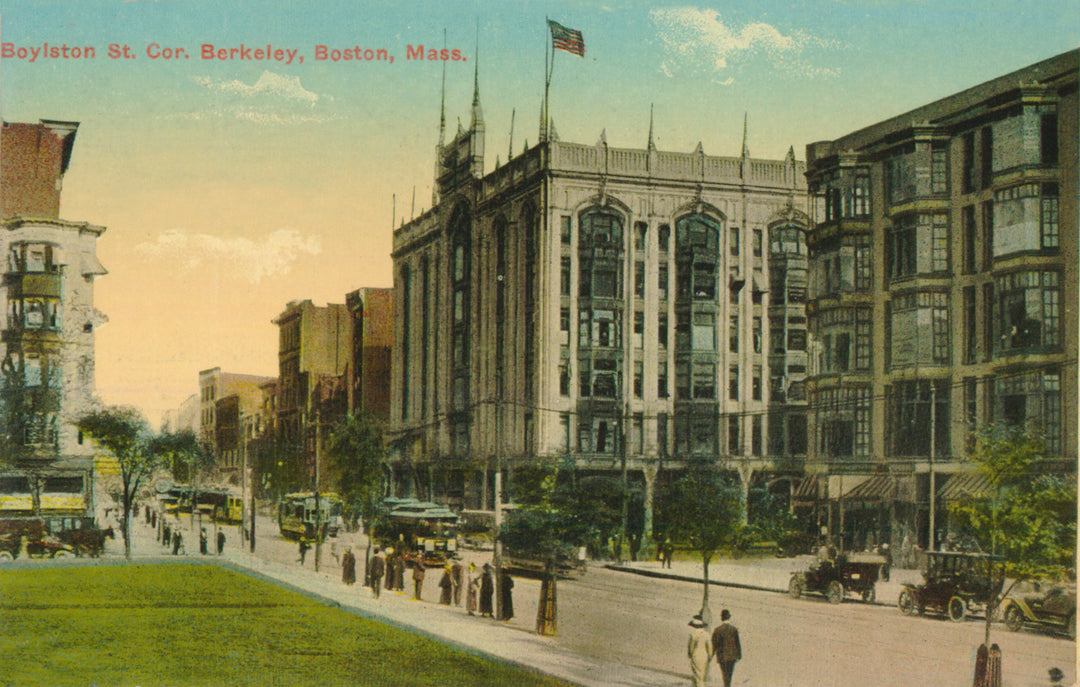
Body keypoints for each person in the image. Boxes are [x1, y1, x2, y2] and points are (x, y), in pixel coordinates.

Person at [711, 609, 742, 687]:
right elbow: (737, 643)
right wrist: (739, 655)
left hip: (722, 657)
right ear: (729, 618)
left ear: (721, 618)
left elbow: (714, 644)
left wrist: (711, 655)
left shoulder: (718, 630)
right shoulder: (734, 629)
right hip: (732, 657)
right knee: (729, 675)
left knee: (724, 674)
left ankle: (726, 685)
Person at [687, 614, 712, 687]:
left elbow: (691, 646)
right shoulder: (706, 634)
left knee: (697, 675)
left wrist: (690, 655)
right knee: (702, 674)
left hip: (696, 654)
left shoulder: (693, 634)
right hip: (704, 655)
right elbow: (709, 647)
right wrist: (709, 656)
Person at [536, 557, 558, 636]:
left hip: (546, 596)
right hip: (549, 596)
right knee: (547, 608)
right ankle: (546, 629)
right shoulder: (552, 575)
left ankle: (542, 628)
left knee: (544, 608)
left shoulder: (547, 575)